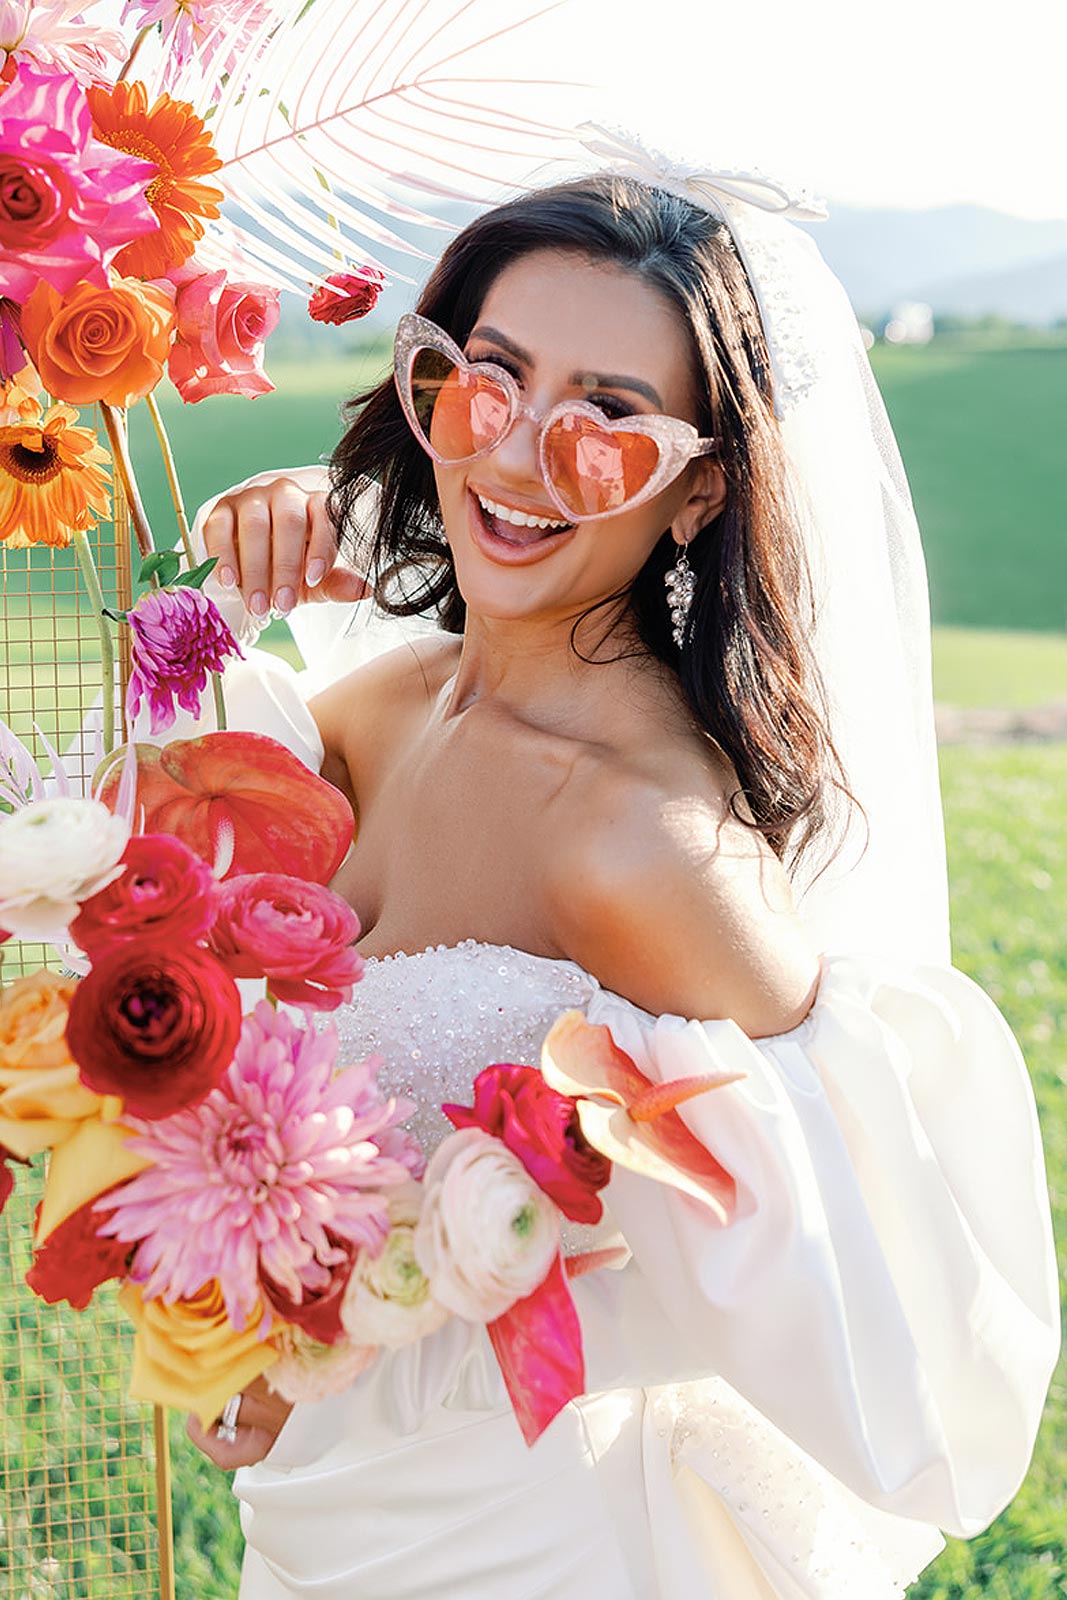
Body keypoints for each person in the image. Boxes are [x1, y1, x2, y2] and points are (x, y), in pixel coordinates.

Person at [182, 152, 1060, 1600]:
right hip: (326, 1511)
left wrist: (403, 1322)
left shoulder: (644, 841)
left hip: (529, 1539)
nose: (521, 454)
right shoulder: (379, 707)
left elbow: (867, 1295)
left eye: (608, 423)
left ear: (700, 489)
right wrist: (246, 564)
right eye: (488, 382)